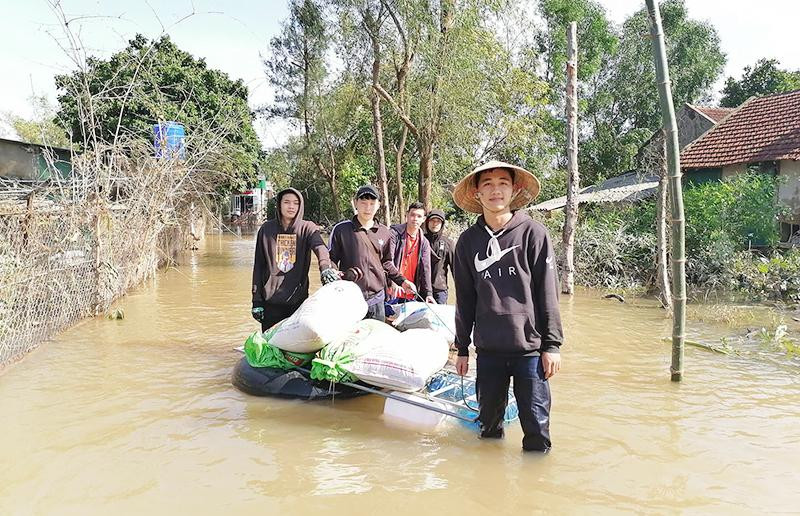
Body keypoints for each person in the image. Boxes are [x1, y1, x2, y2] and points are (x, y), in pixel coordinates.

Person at [452, 160, 563, 453]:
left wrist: (552, 346)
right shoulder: (466, 242)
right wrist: (462, 348)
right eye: (487, 184)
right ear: (477, 193)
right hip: (488, 352)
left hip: (530, 351)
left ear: (514, 189)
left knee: (537, 432)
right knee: (488, 430)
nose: (495, 190)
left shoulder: (533, 234)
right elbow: (464, 299)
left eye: (502, 182)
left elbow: (547, 293)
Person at [251, 188, 339, 331]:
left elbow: (320, 247)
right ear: (279, 205)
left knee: (295, 350)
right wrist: (256, 301)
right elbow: (259, 266)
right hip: (270, 303)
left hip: (297, 303)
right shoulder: (266, 230)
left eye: (295, 203)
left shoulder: (307, 228)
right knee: (271, 349)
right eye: (286, 202)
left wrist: (325, 268)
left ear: (300, 206)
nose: (291, 206)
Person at [328, 184, 416, 322]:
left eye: (372, 203)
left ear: (379, 205)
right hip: (349, 297)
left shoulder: (385, 232)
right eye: (363, 203)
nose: (367, 208)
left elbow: (387, 262)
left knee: (375, 340)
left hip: (377, 299)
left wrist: (403, 281)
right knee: (349, 340)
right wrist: (334, 273)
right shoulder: (341, 230)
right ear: (355, 203)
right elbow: (331, 259)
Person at [389, 202, 435, 305]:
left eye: (419, 216)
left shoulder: (424, 242)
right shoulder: (394, 234)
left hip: (410, 292)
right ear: (407, 215)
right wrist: (393, 281)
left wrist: (428, 293)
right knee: (387, 320)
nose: (415, 219)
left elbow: (426, 269)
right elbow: (388, 260)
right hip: (393, 289)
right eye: (412, 215)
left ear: (424, 219)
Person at [423, 209, 454, 305]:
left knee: (439, 319)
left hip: (440, 291)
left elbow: (456, 269)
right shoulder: (421, 240)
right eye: (432, 220)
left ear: (442, 224)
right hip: (421, 290)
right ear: (427, 222)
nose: (435, 224)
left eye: (438, 221)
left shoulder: (448, 243)